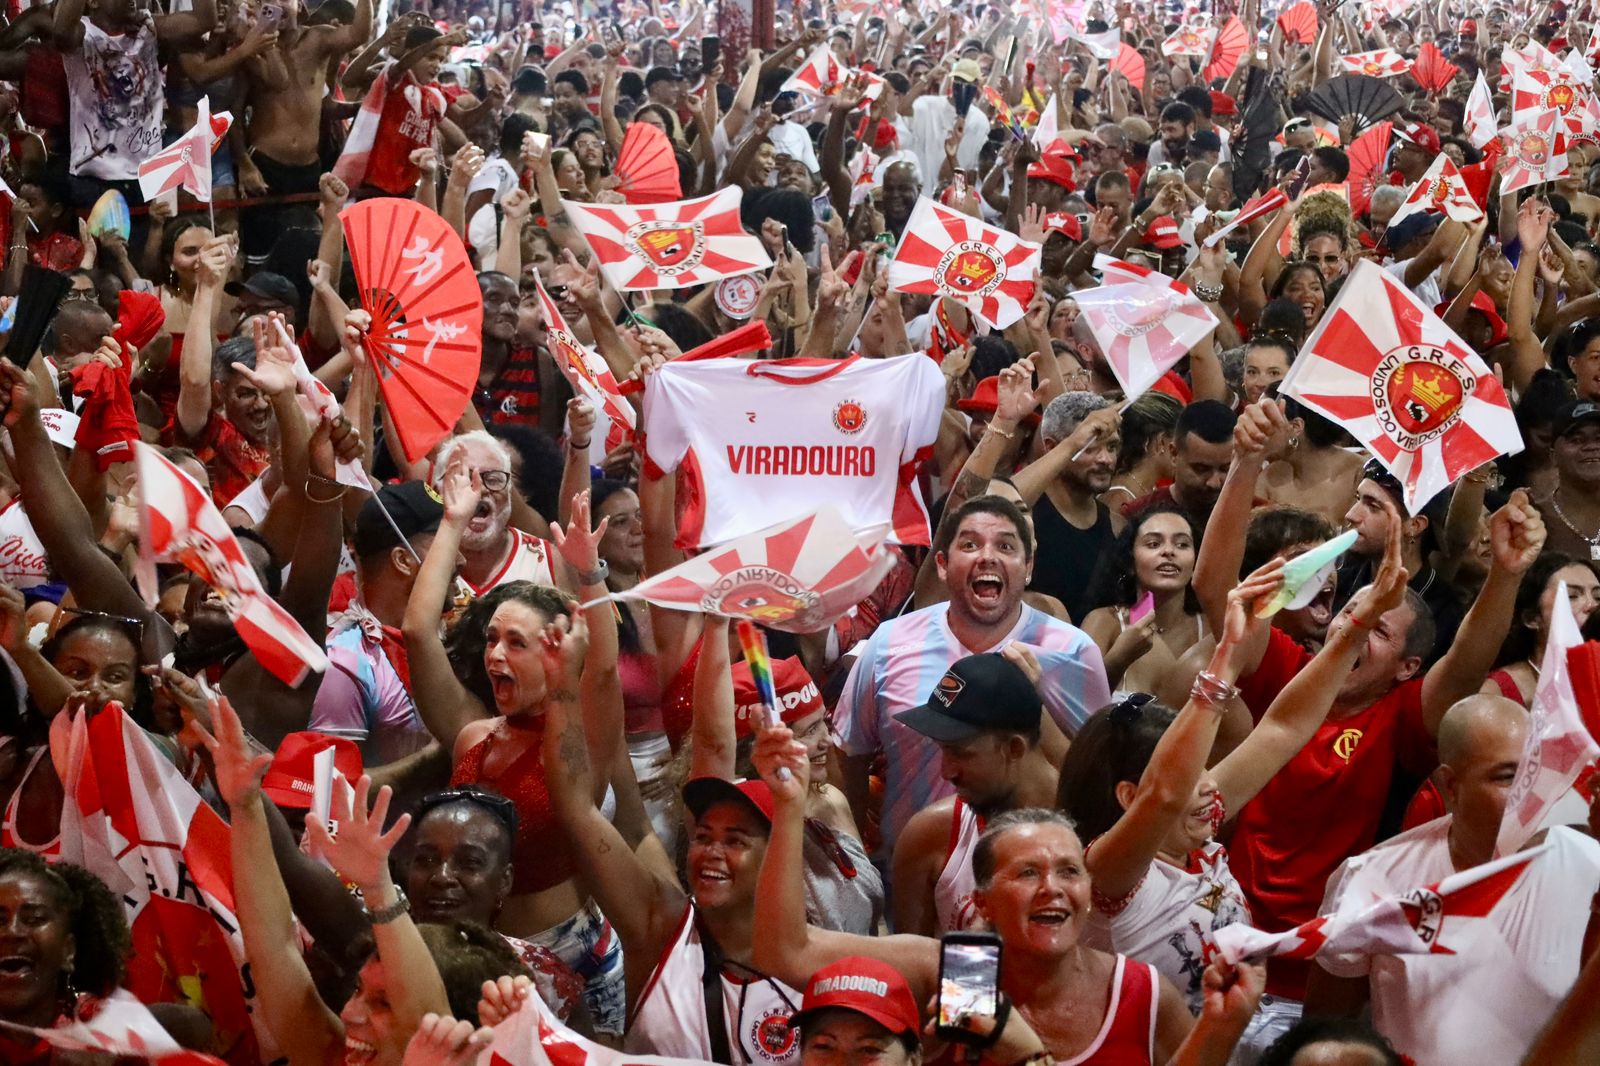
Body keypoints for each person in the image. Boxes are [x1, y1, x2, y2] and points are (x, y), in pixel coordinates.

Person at [402, 473, 626, 1033]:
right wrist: (452, 523)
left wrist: (589, 575)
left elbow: (601, 669)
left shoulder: (586, 738)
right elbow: (417, 632)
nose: (495, 654)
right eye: (492, 639)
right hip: (473, 949)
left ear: (560, 654)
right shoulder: (474, 735)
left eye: (517, 643)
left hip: (572, 955)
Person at [1305, 695, 1600, 1064]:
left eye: (1534, 773)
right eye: (1507, 777)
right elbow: (1327, 1027)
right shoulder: (1372, 879)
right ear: (1450, 785)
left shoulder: (1590, 869)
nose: (1529, 796)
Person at [834, 495, 1110, 857]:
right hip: (910, 875)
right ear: (943, 565)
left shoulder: (1074, 652)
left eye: (1006, 546)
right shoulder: (889, 643)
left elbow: (1098, 779)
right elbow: (847, 757)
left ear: (1028, 567)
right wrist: (857, 866)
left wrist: (1037, 702)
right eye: (969, 544)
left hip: (1031, 875)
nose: (987, 556)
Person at [889, 649, 1060, 936]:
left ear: (1014, 748)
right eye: (942, 750)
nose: (946, 772)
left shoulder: (1093, 832)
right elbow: (916, 973)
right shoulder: (928, 835)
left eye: (960, 753)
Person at [1015, 392, 1126, 623]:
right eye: (1091, 447)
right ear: (1052, 447)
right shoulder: (1023, 516)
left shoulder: (1117, 528)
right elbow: (995, 505)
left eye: (1112, 446)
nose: (1106, 459)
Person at [1081, 506, 1205, 694]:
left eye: (1182, 544)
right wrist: (1118, 659)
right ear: (1130, 560)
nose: (1169, 551)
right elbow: (1074, 704)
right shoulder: (1105, 621)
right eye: (1154, 544)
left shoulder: (1211, 629)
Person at [1482, 552, 1600, 704]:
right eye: (1572, 596)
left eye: (1598, 597)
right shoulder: (1499, 692)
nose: (1592, 605)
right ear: (1532, 618)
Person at [1127, 401, 1238, 536]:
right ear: (1174, 454)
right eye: (1201, 469)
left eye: (1225, 469)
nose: (1214, 482)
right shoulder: (1136, 517)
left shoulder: (1254, 516)